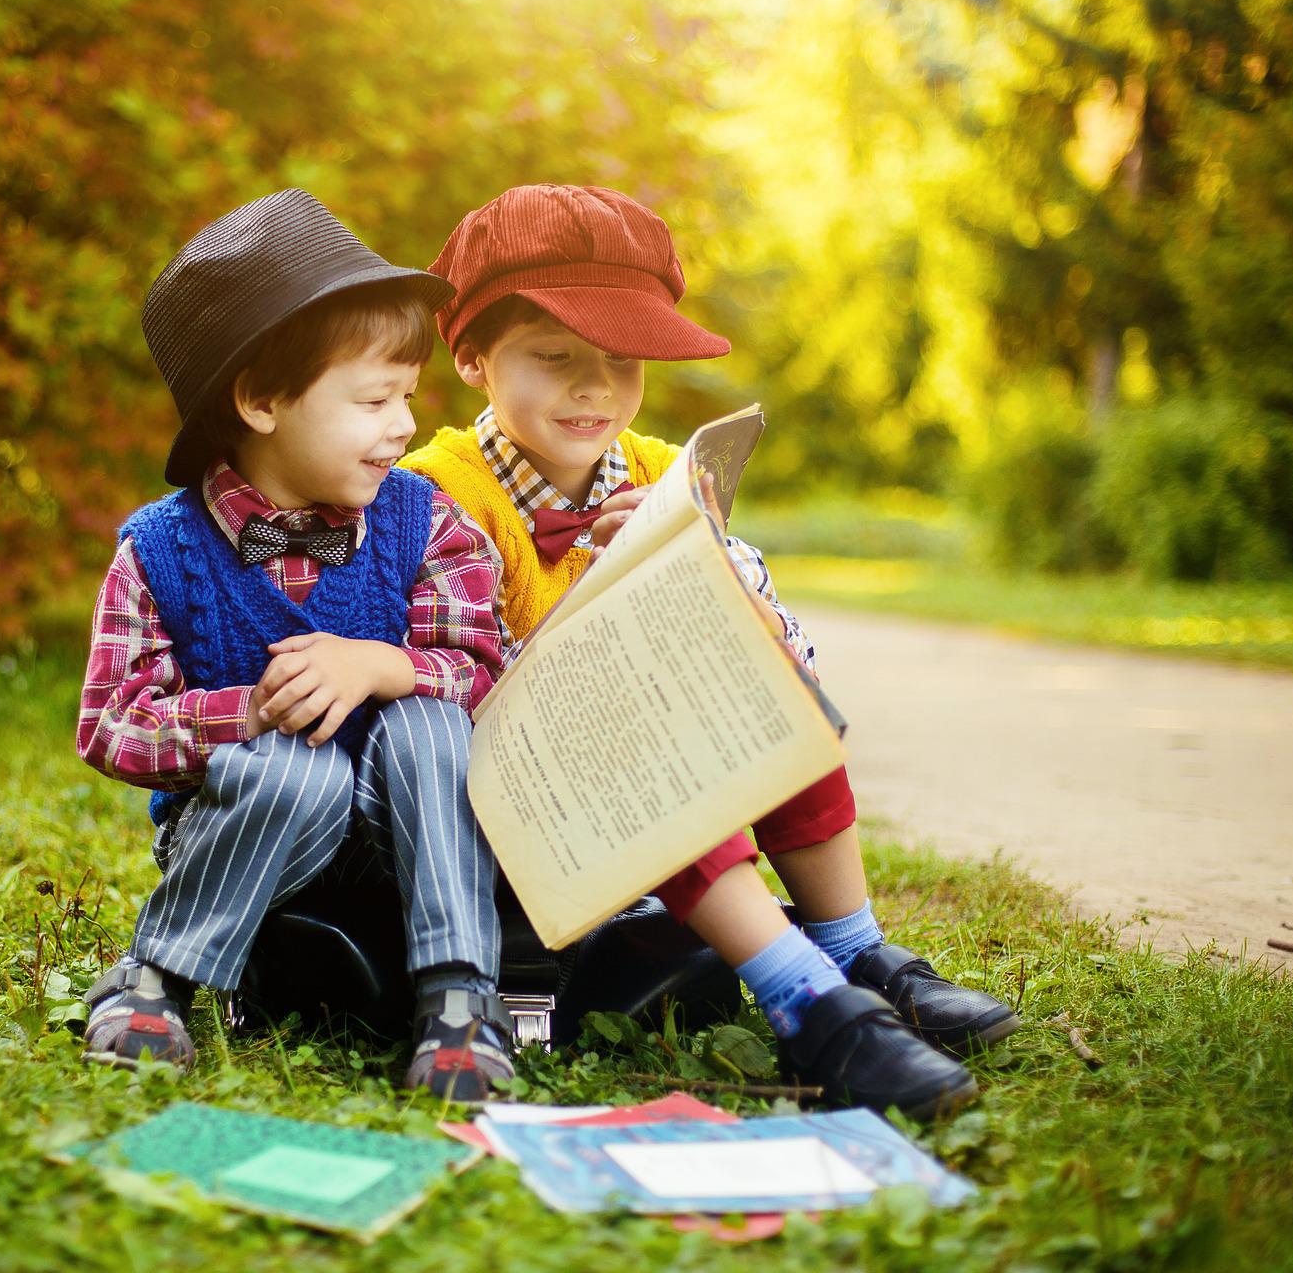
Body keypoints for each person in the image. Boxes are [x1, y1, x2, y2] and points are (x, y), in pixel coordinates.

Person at [403, 184, 1020, 1118]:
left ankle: (854, 949)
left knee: (770, 683)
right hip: (498, 801)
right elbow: (453, 690)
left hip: (626, 783)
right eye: (554, 357)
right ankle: (806, 1003)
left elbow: (767, 629)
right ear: (474, 358)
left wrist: (694, 574)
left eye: (620, 361)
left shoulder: (659, 473)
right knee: (642, 732)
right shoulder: (435, 495)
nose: (593, 389)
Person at [75, 189, 514, 1102]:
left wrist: (384, 666)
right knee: (292, 764)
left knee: (430, 724)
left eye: (408, 396)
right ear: (262, 399)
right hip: (262, 836)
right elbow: (113, 725)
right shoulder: (161, 550)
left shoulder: (427, 521)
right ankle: (159, 980)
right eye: (373, 399)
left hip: (409, 828)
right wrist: (249, 716)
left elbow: (480, 672)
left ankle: (460, 1003)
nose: (403, 425)